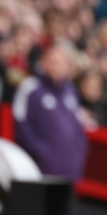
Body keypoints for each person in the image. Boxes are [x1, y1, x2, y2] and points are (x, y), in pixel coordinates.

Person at [12, 43, 88, 181]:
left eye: (61, 63)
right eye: (53, 62)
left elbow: (78, 126)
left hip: (69, 170)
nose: (57, 67)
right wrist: (40, 152)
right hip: (39, 170)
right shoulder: (31, 88)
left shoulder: (71, 91)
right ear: (43, 63)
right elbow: (21, 123)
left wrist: (78, 155)